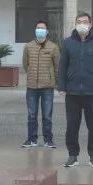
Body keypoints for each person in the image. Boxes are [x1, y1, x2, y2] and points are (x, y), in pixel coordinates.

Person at [57, 11, 93, 169]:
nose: (82, 24)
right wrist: (61, 86)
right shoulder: (68, 42)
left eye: (85, 21)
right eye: (79, 21)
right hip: (72, 92)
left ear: (90, 24)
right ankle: (72, 155)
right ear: (75, 24)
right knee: (72, 126)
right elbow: (63, 65)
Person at [21, 20, 60, 148]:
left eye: (42, 28)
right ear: (35, 30)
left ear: (47, 31)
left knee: (47, 115)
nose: (40, 30)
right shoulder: (28, 46)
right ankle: (32, 139)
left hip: (47, 87)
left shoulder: (53, 47)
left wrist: (55, 81)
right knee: (32, 115)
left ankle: (48, 140)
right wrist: (31, 74)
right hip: (32, 86)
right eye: (38, 28)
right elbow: (25, 64)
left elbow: (57, 66)